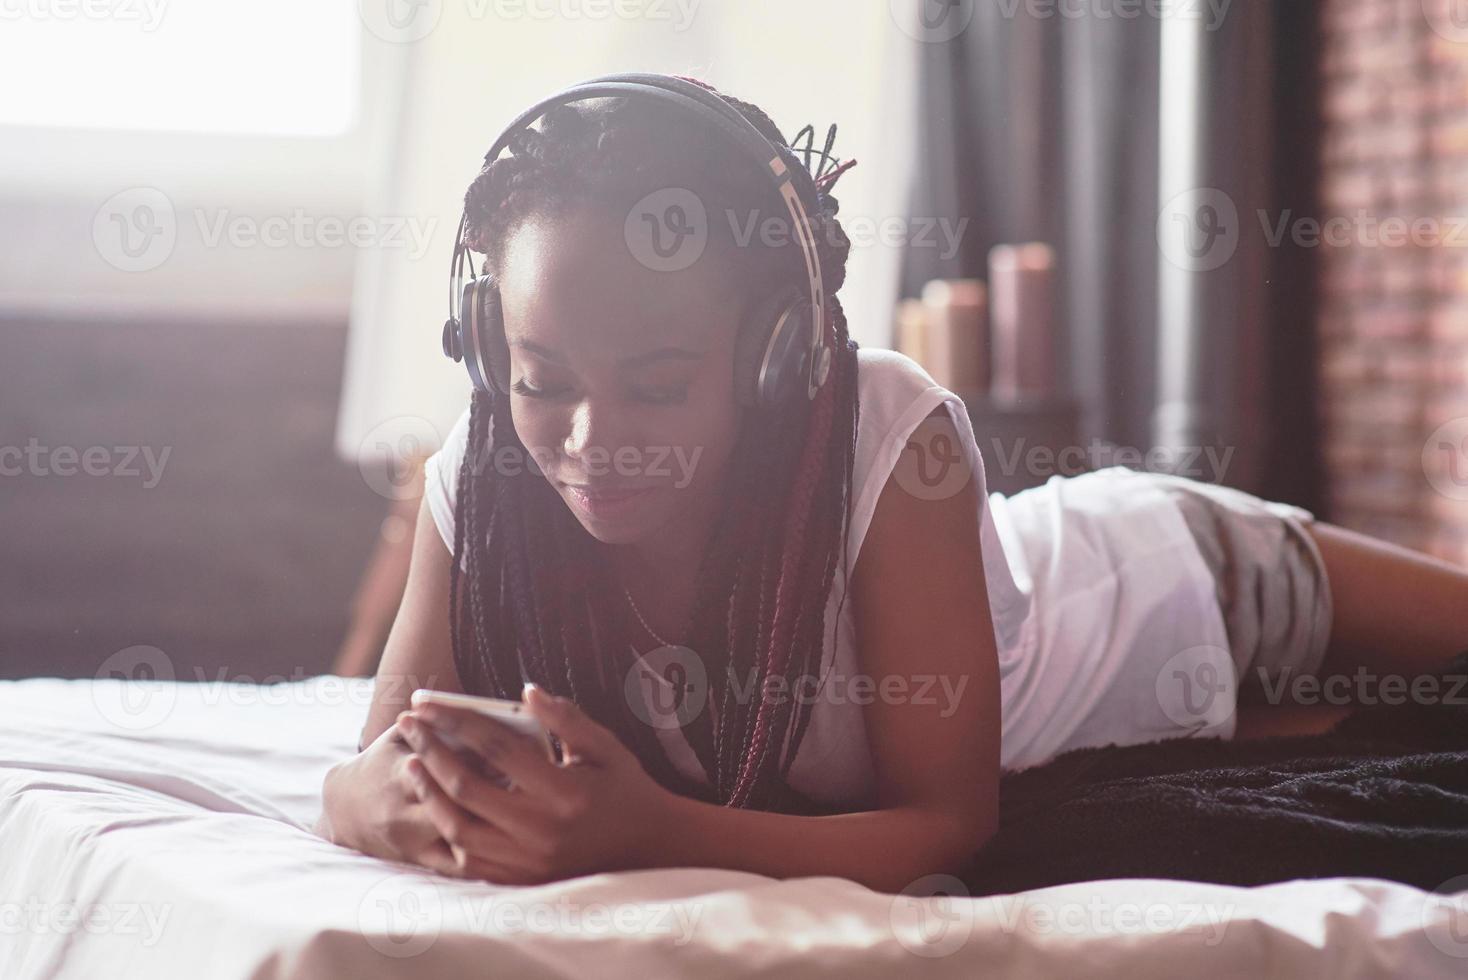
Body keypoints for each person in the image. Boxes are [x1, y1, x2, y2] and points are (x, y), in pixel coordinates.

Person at [314, 76, 1468, 893]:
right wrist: (373, 804)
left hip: (1188, 585)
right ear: (484, 344)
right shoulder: (486, 467)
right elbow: (372, 767)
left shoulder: (881, 422)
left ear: (776, 359)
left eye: (658, 386)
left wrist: (647, 829)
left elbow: (946, 826)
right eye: (540, 378)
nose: (590, 436)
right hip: (1118, 717)